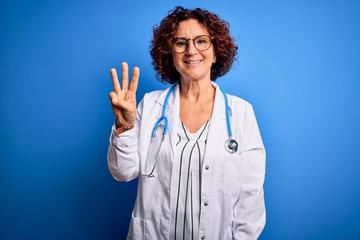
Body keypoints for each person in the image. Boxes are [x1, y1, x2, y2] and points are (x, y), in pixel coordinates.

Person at [107, 6, 266, 240]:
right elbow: (123, 172)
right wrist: (125, 127)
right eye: (181, 43)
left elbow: (250, 200)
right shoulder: (150, 106)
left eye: (201, 41)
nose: (191, 50)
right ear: (170, 52)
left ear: (216, 51)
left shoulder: (241, 113)